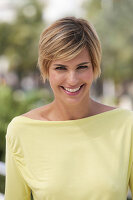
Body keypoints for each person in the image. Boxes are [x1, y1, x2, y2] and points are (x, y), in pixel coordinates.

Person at [5, 16, 133, 200]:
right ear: (46, 70)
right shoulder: (21, 130)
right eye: (61, 68)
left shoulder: (126, 125)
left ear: (94, 67)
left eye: (82, 67)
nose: (72, 80)